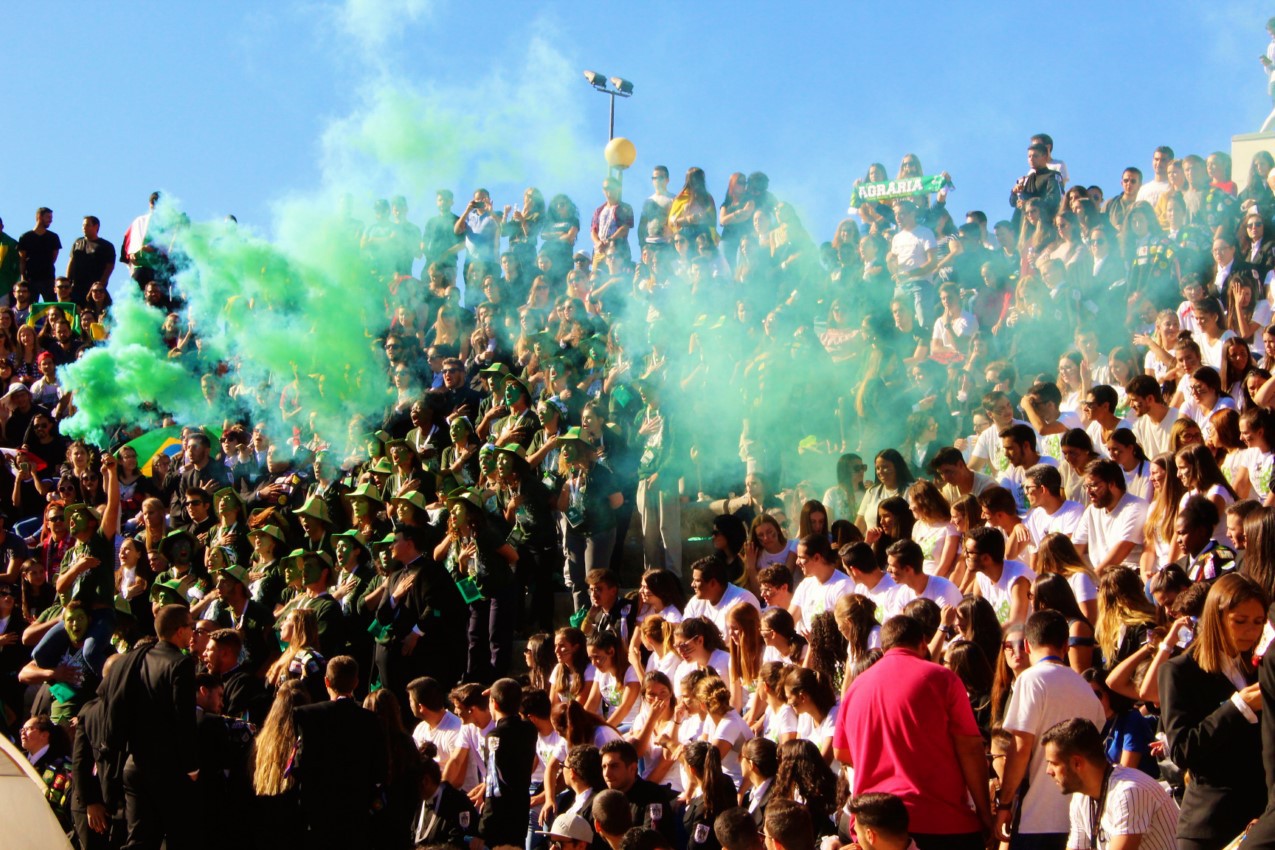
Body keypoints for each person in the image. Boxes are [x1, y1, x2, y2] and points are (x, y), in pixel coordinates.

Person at [834, 615, 992, 850]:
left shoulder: (856, 686)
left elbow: (842, 752)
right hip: (942, 822)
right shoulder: (942, 678)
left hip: (879, 829)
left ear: (884, 647)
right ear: (923, 644)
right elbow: (970, 750)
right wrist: (985, 814)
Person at [1158, 574, 1267, 850]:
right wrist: (1237, 708)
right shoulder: (1180, 671)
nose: (1250, 631)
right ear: (1217, 617)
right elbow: (1182, 749)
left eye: (1258, 622)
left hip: (1259, 820)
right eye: (1239, 621)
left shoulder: (1259, 668)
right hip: (1210, 824)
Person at [995, 611, 1105, 850]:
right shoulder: (1084, 687)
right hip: (1079, 818)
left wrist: (1004, 805)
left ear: (1026, 645)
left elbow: (1020, 748)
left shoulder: (1030, 680)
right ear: (1066, 645)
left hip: (1038, 817)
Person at [114, 604, 199, 850]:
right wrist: (191, 765)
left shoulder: (133, 659)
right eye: (191, 627)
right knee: (179, 836)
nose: (193, 633)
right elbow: (184, 719)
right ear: (180, 631)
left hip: (134, 762)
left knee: (139, 839)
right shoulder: (180, 664)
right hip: (168, 767)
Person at [293, 655, 388, 849]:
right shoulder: (370, 720)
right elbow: (380, 767)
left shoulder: (306, 715)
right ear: (356, 683)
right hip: (356, 810)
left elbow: (301, 763)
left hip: (318, 809)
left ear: (326, 681)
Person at [1039, 718, 1178, 850]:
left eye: (1053, 763)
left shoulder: (1128, 790)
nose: (1048, 771)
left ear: (1077, 763)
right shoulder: (1080, 797)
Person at [480, 678, 538, 848]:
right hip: (520, 812)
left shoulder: (495, 736)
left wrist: (483, 829)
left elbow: (493, 784)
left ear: (494, 703)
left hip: (499, 820)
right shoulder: (529, 729)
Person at [599, 739, 679, 845]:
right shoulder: (606, 799)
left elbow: (652, 841)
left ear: (633, 768)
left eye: (614, 766)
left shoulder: (653, 796)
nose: (607, 773)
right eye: (604, 767)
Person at [1073, 460, 1147, 573]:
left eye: (1093, 485)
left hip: (1126, 575)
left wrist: (1093, 581)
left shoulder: (1136, 507)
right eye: (1086, 486)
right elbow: (1076, 548)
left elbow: (1120, 552)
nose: (1088, 492)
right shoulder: (1091, 510)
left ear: (1112, 484)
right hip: (1101, 575)